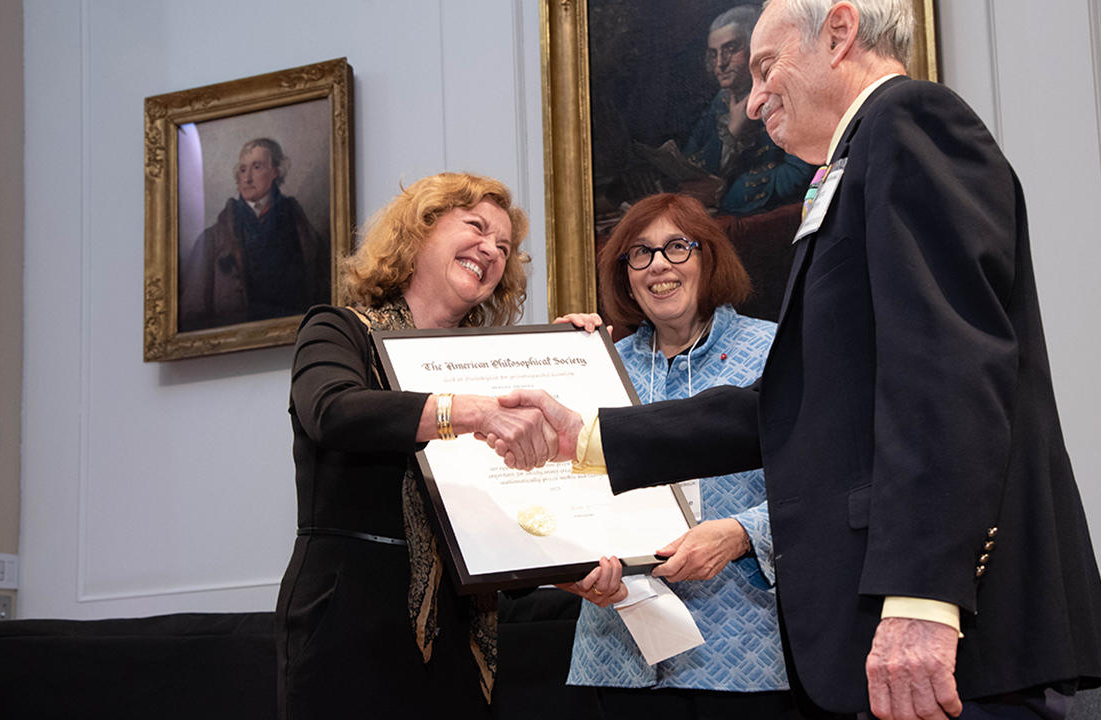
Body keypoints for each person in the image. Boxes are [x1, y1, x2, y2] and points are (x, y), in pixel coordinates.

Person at [502, 1, 1101, 718]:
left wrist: (923, 599)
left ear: (839, 31)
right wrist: (585, 437)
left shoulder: (908, 122)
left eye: (766, 67)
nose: (754, 96)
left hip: (941, 632)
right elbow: (793, 405)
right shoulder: (855, 164)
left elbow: (948, 376)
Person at [274, 172, 563, 719]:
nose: (491, 250)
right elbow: (333, 412)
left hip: (458, 631)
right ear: (417, 232)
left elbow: (506, 514)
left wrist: (576, 358)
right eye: (476, 227)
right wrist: (471, 412)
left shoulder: (491, 370)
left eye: (503, 247)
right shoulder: (338, 330)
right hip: (347, 625)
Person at [557, 194, 794, 718]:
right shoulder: (597, 365)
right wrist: (554, 359)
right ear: (626, 275)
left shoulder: (777, 352)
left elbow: (820, 482)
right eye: (639, 253)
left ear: (708, 257)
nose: (658, 264)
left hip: (741, 654)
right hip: (617, 656)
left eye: (677, 247)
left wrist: (740, 534)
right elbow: (556, 489)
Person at [179, 138, 329, 331]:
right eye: (242, 170)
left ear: (276, 171)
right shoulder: (212, 240)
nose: (247, 178)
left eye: (257, 167)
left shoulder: (302, 230)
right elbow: (193, 313)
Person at [683, 5, 813, 216]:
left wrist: (726, 193)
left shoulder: (784, 94)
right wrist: (731, 132)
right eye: (714, 54)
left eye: (731, 49)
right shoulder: (721, 100)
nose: (720, 64)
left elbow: (798, 173)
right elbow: (691, 158)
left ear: (754, 49)